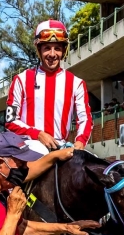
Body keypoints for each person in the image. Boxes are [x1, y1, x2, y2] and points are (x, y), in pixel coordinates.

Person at [6, 20, 93, 150]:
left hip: (61, 147)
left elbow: (85, 119)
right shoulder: (20, 80)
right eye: (47, 48)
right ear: (39, 49)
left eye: (57, 48)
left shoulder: (77, 83)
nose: (52, 54)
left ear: (64, 51)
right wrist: (38, 134)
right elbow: (11, 121)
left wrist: (80, 142)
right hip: (28, 147)